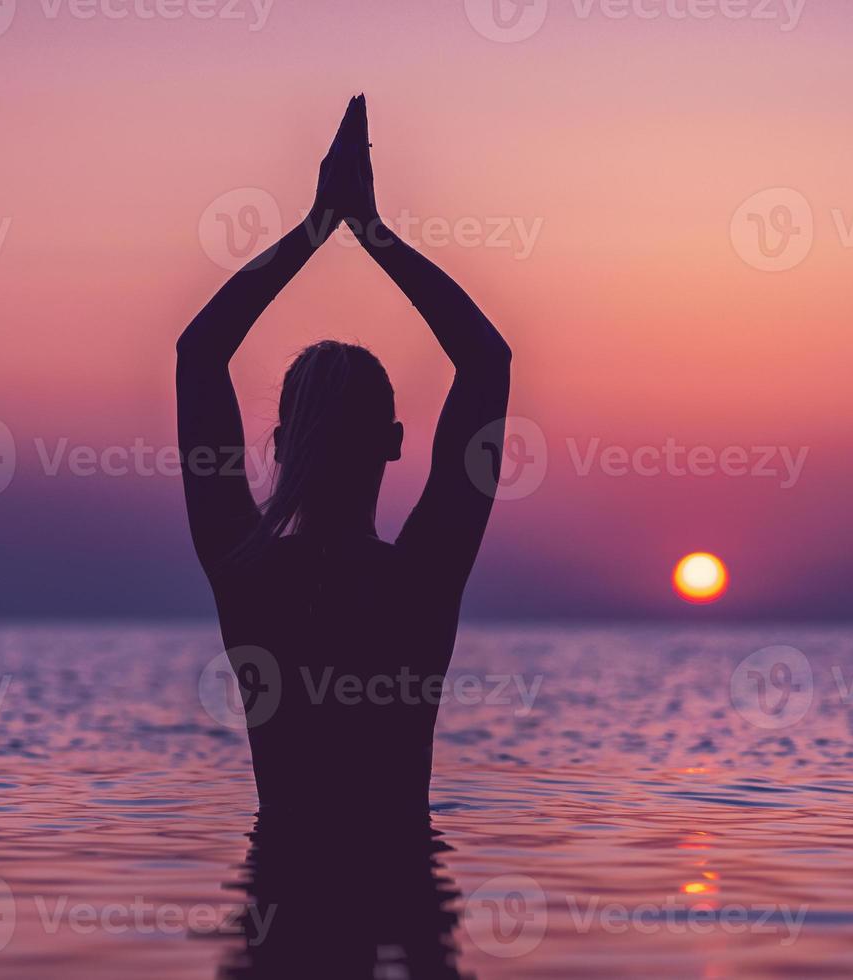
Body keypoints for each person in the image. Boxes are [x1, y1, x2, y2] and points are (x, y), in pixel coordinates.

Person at [176, 95, 512, 819]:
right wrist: (370, 231)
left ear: (278, 442)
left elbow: (198, 355)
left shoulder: (246, 570)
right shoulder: (424, 575)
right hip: (403, 898)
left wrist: (316, 226)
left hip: (282, 905)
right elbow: (487, 361)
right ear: (394, 444)